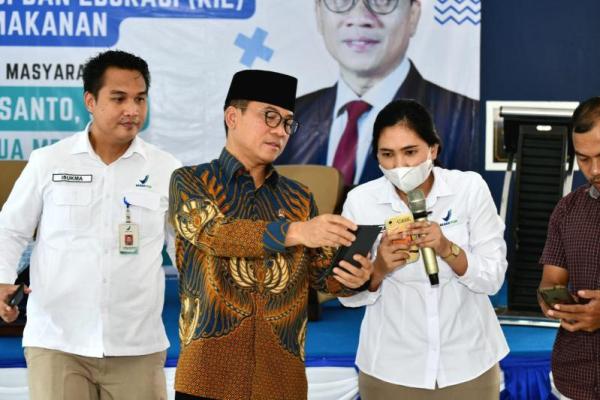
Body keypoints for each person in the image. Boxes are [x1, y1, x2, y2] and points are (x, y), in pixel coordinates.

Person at [169, 69, 373, 400]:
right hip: (207, 378)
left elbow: (322, 277)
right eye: (269, 117)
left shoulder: (299, 197)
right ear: (232, 117)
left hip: (281, 380)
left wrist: (356, 276)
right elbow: (213, 234)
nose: (280, 131)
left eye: (287, 122)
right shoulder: (191, 181)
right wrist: (296, 231)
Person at [0, 50, 181, 400]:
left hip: (136, 346)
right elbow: (10, 229)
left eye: (140, 99)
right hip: (57, 343)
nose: (132, 110)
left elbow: (184, 245)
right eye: (119, 98)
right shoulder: (49, 161)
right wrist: (2, 280)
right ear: (90, 101)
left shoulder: (166, 169)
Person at [338, 99, 508, 399]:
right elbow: (347, 296)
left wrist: (446, 248)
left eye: (410, 152)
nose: (399, 165)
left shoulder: (469, 189)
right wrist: (379, 269)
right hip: (391, 368)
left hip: (469, 362)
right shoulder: (360, 201)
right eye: (387, 154)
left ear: (433, 150)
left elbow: (493, 278)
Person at [277, 0, 479, 186]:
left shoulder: (467, 121)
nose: (359, 18)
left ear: (413, 15)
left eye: (382, 1)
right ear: (319, 14)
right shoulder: (289, 119)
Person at [538, 96, 600, 400]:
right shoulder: (567, 209)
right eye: (583, 159)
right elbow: (550, 282)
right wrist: (553, 302)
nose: (594, 169)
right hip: (574, 378)